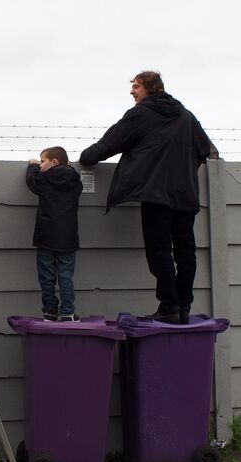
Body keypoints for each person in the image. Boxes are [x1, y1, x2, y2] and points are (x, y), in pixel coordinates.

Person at [80, 71, 211, 324]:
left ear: (150, 88)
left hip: (156, 195)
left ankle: (169, 306)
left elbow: (112, 142)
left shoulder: (141, 113)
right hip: (185, 195)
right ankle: (183, 306)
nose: (132, 92)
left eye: (136, 87)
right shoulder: (186, 115)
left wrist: (87, 157)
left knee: (159, 251)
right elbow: (204, 149)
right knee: (186, 252)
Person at [26, 146, 83, 322]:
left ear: (54, 162)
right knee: (66, 276)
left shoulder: (44, 180)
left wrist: (32, 166)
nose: (41, 165)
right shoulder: (75, 181)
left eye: (43, 161)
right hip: (68, 237)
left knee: (46, 276)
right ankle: (68, 312)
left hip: (46, 237)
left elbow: (31, 183)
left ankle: (50, 311)